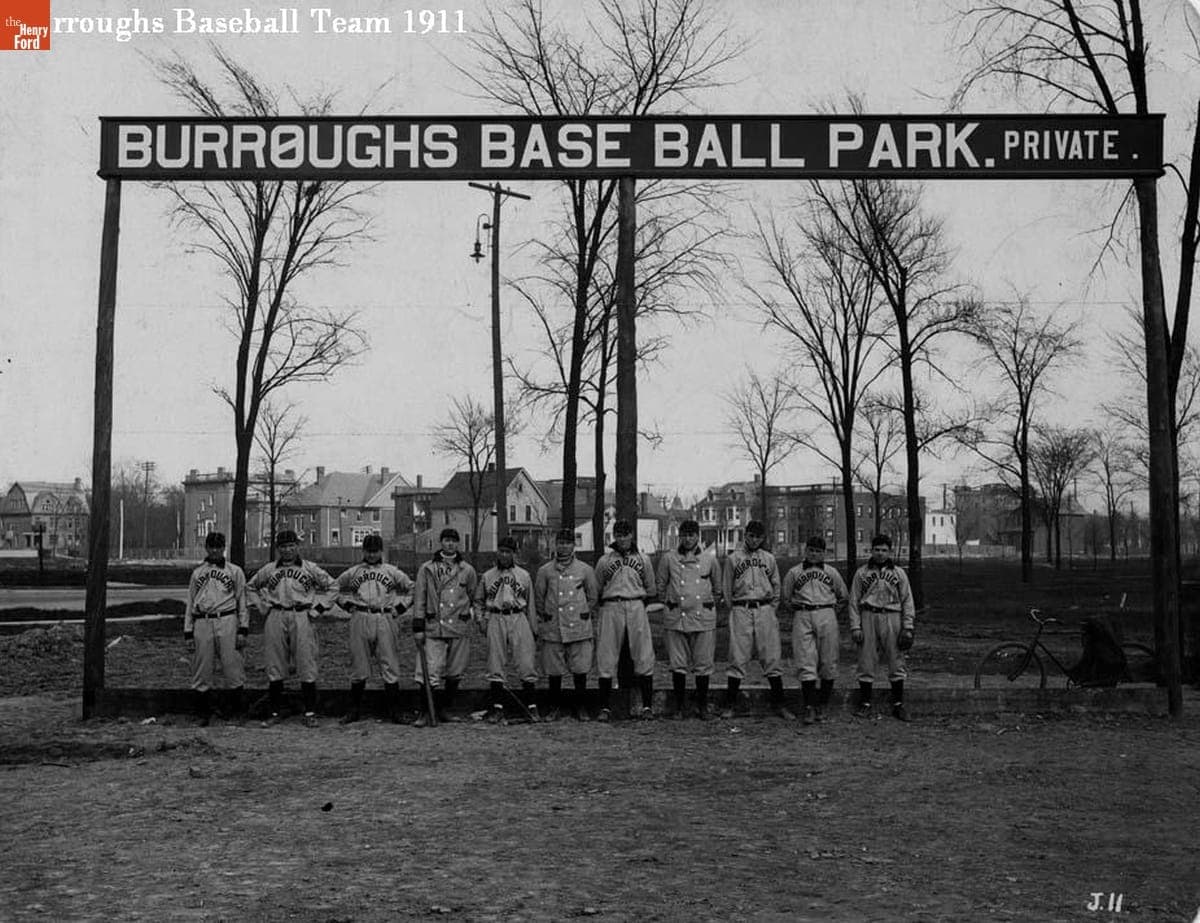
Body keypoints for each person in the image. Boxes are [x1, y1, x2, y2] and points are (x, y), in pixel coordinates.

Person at [247, 530, 337, 727]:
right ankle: (275, 712)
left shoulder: (309, 568)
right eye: (283, 546)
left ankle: (310, 713)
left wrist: (318, 608)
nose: (288, 550)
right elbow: (251, 587)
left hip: (302, 615)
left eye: (291, 546)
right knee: (274, 663)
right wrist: (262, 606)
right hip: (276, 614)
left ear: (297, 546)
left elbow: (333, 587)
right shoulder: (269, 569)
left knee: (306, 662)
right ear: (278, 549)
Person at [335, 533, 413, 724]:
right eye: (368, 551)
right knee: (359, 664)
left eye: (375, 551)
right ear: (363, 551)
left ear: (381, 551)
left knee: (389, 663)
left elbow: (413, 588)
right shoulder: (354, 572)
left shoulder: (391, 571)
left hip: (385, 616)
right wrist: (345, 604)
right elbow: (332, 587)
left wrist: (402, 607)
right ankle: (354, 711)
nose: (372, 555)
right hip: (360, 616)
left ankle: (395, 711)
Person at [720, 520, 792, 720]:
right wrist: (734, 608)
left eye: (758, 537)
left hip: (764, 608)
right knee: (737, 656)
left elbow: (776, 586)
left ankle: (780, 704)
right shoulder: (733, 559)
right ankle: (730, 705)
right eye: (751, 535)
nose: (754, 540)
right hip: (741, 608)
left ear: (763, 538)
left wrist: (771, 608)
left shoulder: (768, 558)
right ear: (746, 535)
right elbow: (726, 589)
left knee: (771, 656)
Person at [411, 528, 478, 727]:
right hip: (435, 626)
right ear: (441, 543)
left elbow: (473, 596)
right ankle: (425, 711)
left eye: (453, 541)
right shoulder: (427, 568)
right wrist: (418, 626)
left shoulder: (467, 570)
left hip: (458, 626)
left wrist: (471, 616)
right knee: (430, 670)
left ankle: (445, 709)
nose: (450, 544)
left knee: (455, 670)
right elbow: (420, 597)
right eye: (446, 540)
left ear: (458, 544)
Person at [656, 519, 722, 719]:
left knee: (703, 663)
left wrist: (706, 603)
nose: (687, 539)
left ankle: (702, 706)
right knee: (678, 663)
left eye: (691, 535)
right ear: (679, 536)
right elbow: (661, 585)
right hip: (677, 617)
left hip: (703, 617)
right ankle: (679, 707)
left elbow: (718, 589)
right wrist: (671, 602)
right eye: (684, 535)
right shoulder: (669, 559)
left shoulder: (710, 559)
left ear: (697, 537)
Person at [594, 519, 658, 721]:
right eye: (618, 535)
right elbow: (597, 588)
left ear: (631, 535)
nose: (622, 538)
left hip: (636, 604)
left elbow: (651, 588)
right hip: (611, 605)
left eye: (625, 534)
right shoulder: (605, 560)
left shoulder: (643, 559)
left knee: (643, 653)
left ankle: (647, 706)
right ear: (614, 536)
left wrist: (640, 602)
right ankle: (604, 707)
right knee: (606, 654)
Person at [849, 533, 916, 722]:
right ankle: (865, 703)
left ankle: (898, 704)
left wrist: (908, 626)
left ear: (890, 551)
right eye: (877, 549)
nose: (880, 553)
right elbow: (853, 602)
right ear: (871, 550)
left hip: (892, 616)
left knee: (896, 660)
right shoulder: (862, 573)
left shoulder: (899, 573)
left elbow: (907, 601)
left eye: (884, 550)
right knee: (866, 659)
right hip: (868, 615)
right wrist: (855, 626)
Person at [183, 531, 249, 726]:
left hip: (227, 618)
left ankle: (235, 711)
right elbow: (190, 602)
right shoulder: (197, 573)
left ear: (223, 548)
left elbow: (242, 601)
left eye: (218, 547)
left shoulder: (234, 571)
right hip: (202, 620)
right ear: (206, 548)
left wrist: (243, 628)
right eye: (211, 547)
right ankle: (203, 712)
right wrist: (188, 631)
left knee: (232, 665)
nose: (214, 550)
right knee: (202, 667)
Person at [782, 536, 849, 725]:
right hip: (803, 614)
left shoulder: (832, 572)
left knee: (828, 661)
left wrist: (831, 611)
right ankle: (809, 707)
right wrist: (797, 610)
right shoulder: (794, 572)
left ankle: (823, 705)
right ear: (805, 550)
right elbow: (786, 598)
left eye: (818, 551)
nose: (814, 554)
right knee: (805, 661)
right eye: (811, 550)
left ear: (824, 553)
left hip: (826, 613)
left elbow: (843, 597)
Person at [534, 529, 599, 721]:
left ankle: (581, 707)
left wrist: (583, 612)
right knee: (554, 670)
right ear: (555, 544)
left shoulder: (585, 570)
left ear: (574, 545)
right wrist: (547, 615)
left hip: (578, 625)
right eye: (560, 542)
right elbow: (539, 597)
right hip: (554, 626)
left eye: (568, 543)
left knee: (580, 668)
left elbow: (593, 596)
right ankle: (554, 707)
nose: (563, 546)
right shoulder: (545, 570)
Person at [475, 536, 539, 724]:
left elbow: (531, 604)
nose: (504, 554)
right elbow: (478, 601)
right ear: (497, 552)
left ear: (514, 553)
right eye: (501, 551)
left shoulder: (524, 575)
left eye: (508, 551)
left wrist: (533, 629)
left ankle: (532, 707)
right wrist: (480, 620)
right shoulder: (487, 576)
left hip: (518, 616)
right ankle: (497, 709)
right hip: (496, 616)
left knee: (526, 663)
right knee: (495, 663)